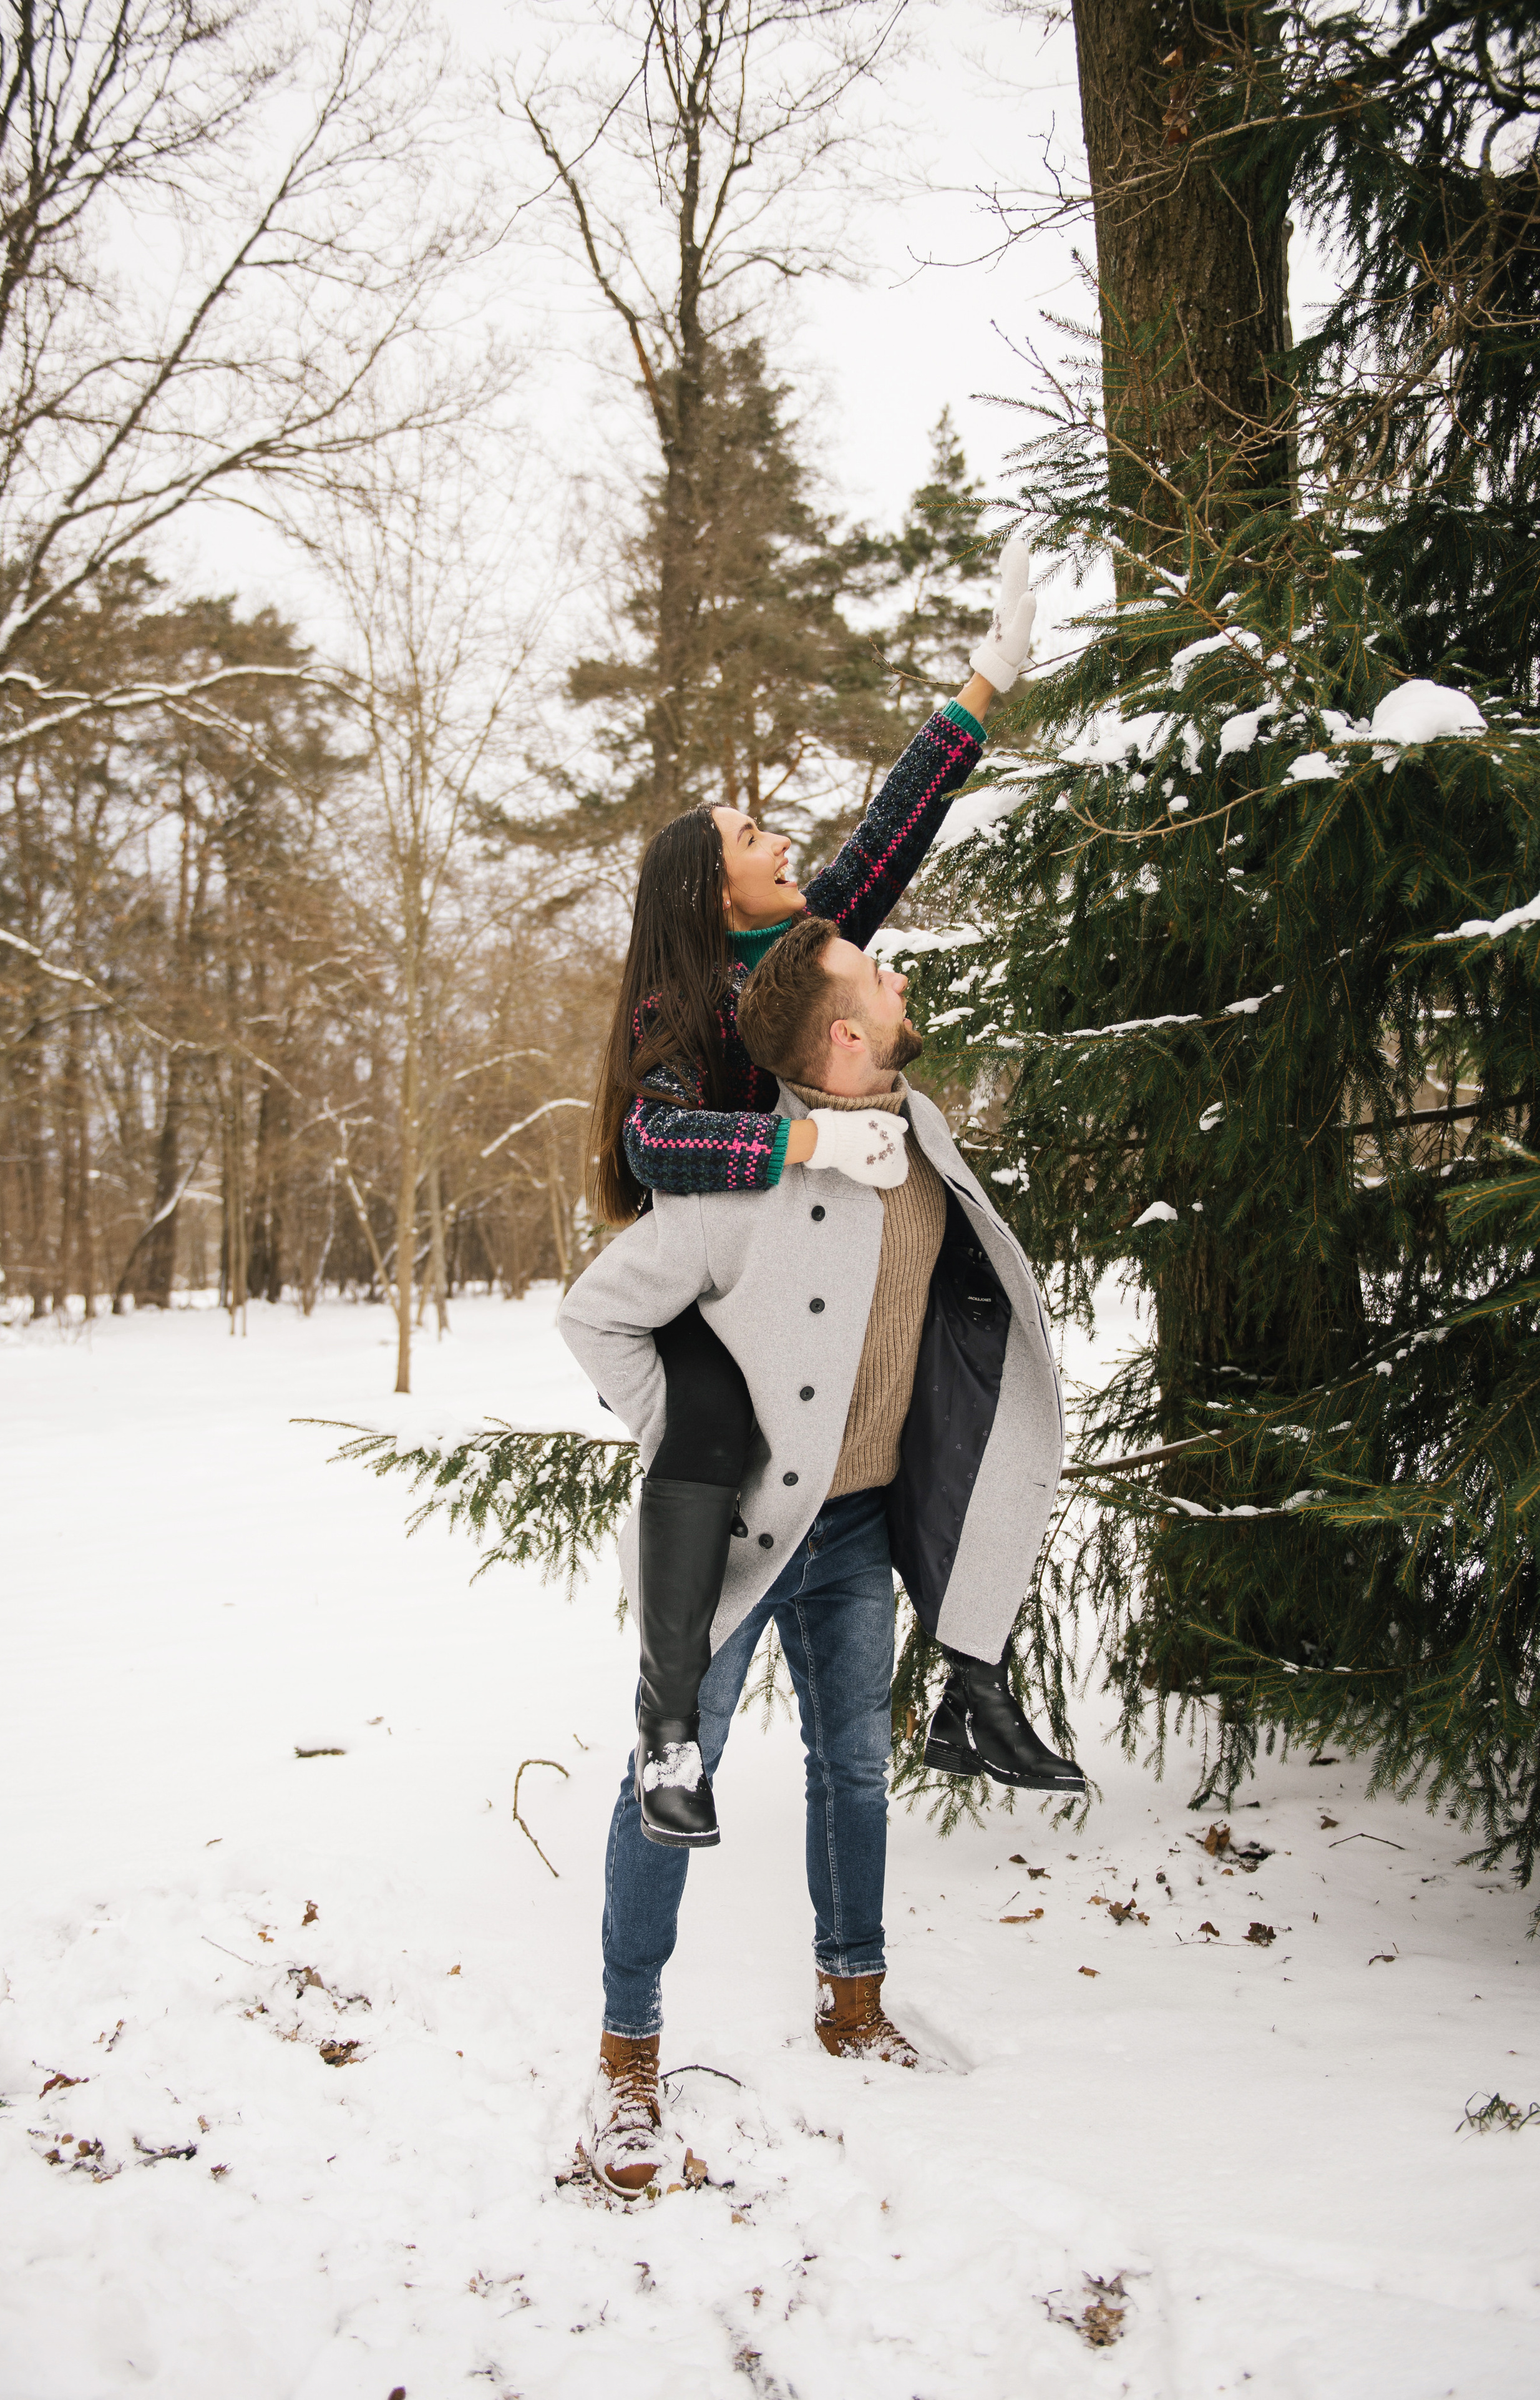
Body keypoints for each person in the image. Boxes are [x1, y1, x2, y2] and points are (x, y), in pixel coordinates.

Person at [558, 910, 1084, 2193]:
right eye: (875, 973)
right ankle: (628, 2051)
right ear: (843, 1033)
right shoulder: (735, 1182)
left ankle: (853, 2002)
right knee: (670, 1772)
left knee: (853, 1767)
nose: (900, 975)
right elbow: (594, 1315)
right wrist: (691, 1437)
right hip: (742, 1539)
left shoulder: (922, 1136)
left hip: (857, 1524)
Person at [585, 541, 1041, 1850]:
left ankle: (969, 1677)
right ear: (707, 885)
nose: (779, 839)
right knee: (708, 1424)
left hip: (809, 1275)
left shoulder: (801, 951)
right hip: (705, 1294)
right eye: (749, 836)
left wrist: (980, 687)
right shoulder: (675, 1005)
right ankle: (672, 1724)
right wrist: (801, 1147)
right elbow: (654, 1142)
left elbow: (889, 831)